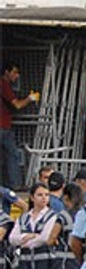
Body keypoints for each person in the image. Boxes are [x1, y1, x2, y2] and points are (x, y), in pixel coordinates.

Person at [0, 61, 37, 189]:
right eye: (14, 72)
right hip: (3, 127)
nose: (17, 76)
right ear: (6, 72)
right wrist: (30, 98)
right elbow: (17, 104)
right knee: (12, 154)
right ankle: (14, 185)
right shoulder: (3, 84)